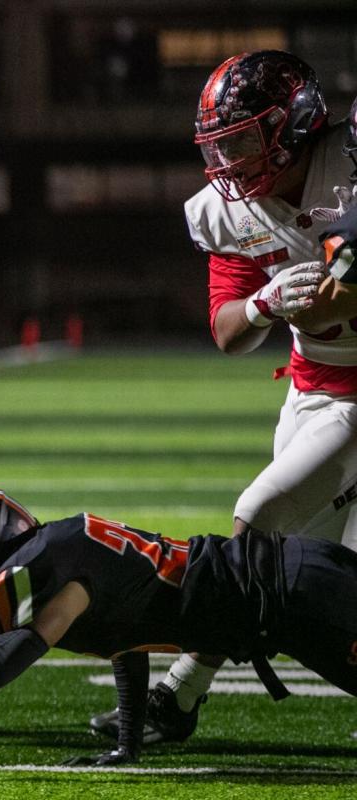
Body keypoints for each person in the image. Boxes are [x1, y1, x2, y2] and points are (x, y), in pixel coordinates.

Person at [91, 50, 357, 745]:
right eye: (223, 141)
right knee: (271, 573)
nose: (230, 157)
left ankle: (176, 696)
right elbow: (227, 329)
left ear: (296, 122)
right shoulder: (229, 211)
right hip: (314, 397)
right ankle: (179, 700)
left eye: (244, 136)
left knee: (256, 531)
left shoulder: (349, 161)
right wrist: (266, 304)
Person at [0, 488, 357, 765]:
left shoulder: (48, 575)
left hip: (297, 602)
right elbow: (127, 639)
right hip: (291, 584)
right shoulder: (63, 548)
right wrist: (128, 744)